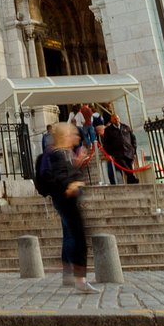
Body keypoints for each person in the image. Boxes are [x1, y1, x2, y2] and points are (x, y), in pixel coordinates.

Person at [43, 121, 98, 293]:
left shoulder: (65, 153)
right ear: (64, 136)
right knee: (77, 237)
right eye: (73, 134)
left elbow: (67, 173)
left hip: (68, 199)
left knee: (76, 236)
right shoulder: (58, 154)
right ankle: (77, 279)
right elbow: (61, 174)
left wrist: (77, 166)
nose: (76, 137)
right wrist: (70, 185)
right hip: (66, 199)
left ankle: (74, 276)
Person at [103, 112, 139, 185]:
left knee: (129, 169)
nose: (116, 120)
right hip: (118, 154)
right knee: (125, 167)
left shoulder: (126, 127)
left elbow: (133, 139)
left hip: (129, 152)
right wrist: (110, 153)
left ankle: (132, 183)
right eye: (114, 119)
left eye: (117, 118)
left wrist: (133, 150)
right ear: (111, 120)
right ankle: (133, 179)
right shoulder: (108, 130)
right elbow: (106, 143)